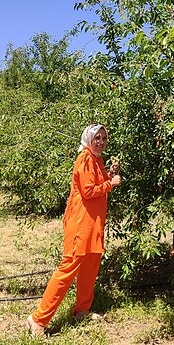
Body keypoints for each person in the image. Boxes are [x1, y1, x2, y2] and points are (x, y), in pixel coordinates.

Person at [26, 123, 122, 337]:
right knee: (68, 269)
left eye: (104, 138)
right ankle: (37, 319)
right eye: (97, 137)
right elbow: (88, 192)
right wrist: (111, 184)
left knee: (90, 267)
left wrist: (109, 176)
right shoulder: (85, 158)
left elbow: (96, 186)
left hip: (93, 224)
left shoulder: (97, 159)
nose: (101, 141)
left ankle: (82, 311)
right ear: (88, 139)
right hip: (80, 223)